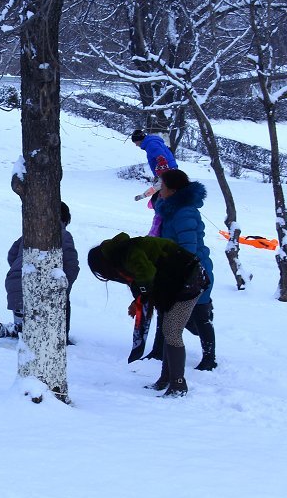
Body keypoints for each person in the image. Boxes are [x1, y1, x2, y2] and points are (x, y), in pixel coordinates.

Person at [86, 232, 208, 397]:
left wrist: (142, 298)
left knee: (172, 331)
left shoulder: (128, 253)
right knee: (168, 330)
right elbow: (144, 280)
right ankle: (166, 378)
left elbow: (147, 275)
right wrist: (139, 300)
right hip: (175, 283)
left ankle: (178, 384)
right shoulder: (121, 253)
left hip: (190, 281)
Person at [0, 202, 79, 347]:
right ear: (65, 220)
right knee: (38, 331)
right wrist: (64, 288)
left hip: (14, 283)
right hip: (35, 287)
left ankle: (11, 328)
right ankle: (61, 337)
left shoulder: (30, 233)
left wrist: (19, 271)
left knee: (26, 327)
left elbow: (11, 255)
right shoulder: (63, 235)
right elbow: (71, 265)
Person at [155, 169, 216, 371]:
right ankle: (162, 356)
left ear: (172, 190)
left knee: (200, 314)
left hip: (195, 272)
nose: (159, 189)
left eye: (162, 186)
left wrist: (177, 272)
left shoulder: (185, 213)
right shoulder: (170, 209)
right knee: (176, 315)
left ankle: (209, 358)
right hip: (178, 270)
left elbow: (187, 249)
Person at [130, 129, 179, 237]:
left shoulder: (151, 144)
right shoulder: (152, 142)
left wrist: (141, 196)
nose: (136, 145)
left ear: (139, 140)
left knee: (158, 202)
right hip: (168, 170)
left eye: (135, 143)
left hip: (166, 171)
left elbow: (160, 155)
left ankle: (157, 232)